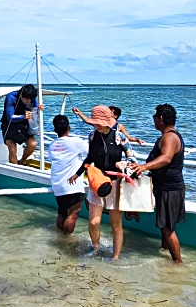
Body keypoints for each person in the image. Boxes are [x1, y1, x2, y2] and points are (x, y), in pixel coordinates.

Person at [130, 103, 185, 263]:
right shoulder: (169, 136)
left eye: (154, 117)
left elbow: (166, 158)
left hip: (170, 188)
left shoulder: (170, 137)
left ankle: (178, 264)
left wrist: (144, 166)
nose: (153, 120)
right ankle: (164, 254)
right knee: (164, 226)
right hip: (166, 187)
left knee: (167, 228)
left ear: (160, 118)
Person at [69, 105, 126, 258]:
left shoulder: (119, 136)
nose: (97, 125)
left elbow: (131, 156)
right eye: (95, 122)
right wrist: (77, 173)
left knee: (116, 224)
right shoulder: (92, 136)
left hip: (115, 183)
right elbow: (90, 158)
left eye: (100, 122)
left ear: (108, 121)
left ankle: (115, 257)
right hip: (97, 182)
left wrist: (124, 163)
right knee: (94, 222)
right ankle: (96, 248)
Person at [46, 114, 88, 235]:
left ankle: (59, 235)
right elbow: (90, 152)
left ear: (55, 130)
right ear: (69, 127)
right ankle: (66, 238)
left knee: (62, 213)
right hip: (72, 184)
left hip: (58, 185)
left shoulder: (52, 145)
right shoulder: (76, 141)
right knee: (73, 213)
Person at [1, 83, 42, 165]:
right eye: (27, 99)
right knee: (12, 149)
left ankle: (22, 161)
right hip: (9, 124)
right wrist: (23, 117)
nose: (29, 101)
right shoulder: (11, 97)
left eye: (31, 99)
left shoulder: (31, 98)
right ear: (21, 96)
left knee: (32, 144)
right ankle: (15, 169)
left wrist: (39, 108)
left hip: (23, 124)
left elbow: (35, 107)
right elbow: (10, 117)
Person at [72, 105, 146, 147]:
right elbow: (88, 121)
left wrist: (137, 140)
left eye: (110, 113)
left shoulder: (119, 126)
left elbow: (127, 138)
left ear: (116, 116)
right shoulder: (99, 125)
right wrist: (79, 113)